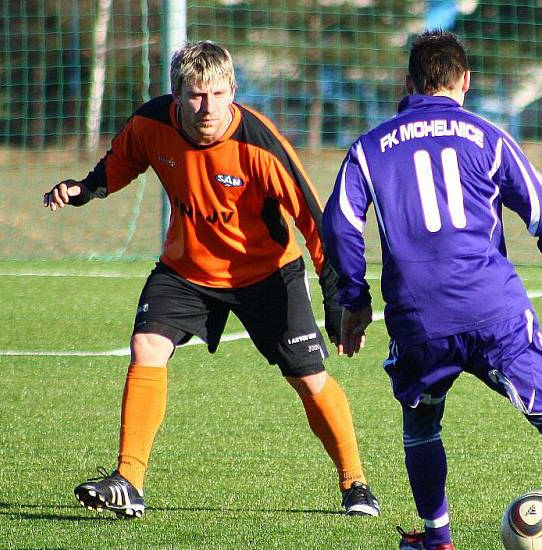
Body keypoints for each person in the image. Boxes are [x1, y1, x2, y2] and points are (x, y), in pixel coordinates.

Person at [322, 30, 542, 550]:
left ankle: (437, 539)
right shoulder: (488, 137)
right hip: (494, 308)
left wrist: (355, 300)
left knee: (421, 425)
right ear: (465, 82)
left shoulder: (369, 147)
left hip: (418, 318)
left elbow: (338, 227)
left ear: (407, 84)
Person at [43, 40, 379, 519]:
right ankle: (129, 480)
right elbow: (122, 161)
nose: (208, 107)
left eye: (219, 94)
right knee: (147, 348)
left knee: (308, 377)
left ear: (233, 91)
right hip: (185, 269)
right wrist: (85, 189)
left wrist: (336, 298)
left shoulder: (260, 145)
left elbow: (314, 222)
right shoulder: (152, 122)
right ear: (176, 94)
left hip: (267, 274)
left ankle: (355, 483)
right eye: (197, 95)